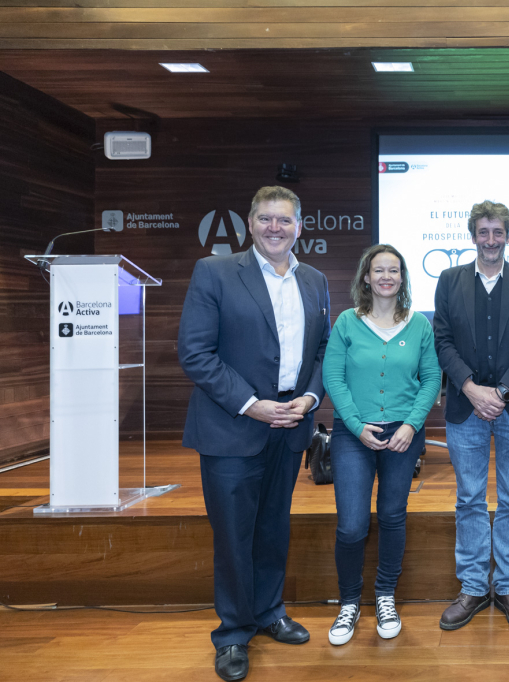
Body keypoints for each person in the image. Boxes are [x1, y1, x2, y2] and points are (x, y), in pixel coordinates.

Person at [178, 186, 330, 681]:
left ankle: (269, 613)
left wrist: (308, 399)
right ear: (249, 224)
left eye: (284, 220)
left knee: (272, 528)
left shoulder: (314, 279)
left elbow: (324, 351)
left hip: (290, 427)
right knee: (233, 534)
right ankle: (232, 634)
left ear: (299, 227)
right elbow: (196, 353)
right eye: (265, 219)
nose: (274, 228)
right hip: (233, 427)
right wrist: (253, 405)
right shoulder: (215, 272)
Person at [432, 200, 509, 632]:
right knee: (469, 500)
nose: (491, 240)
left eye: (498, 232)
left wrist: (498, 393)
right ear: (473, 235)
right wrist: (469, 387)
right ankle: (474, 587)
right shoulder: (449, 280)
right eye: (484, 232)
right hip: (466, 407)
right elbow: (442, 340)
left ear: (508, 235)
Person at [321, 244, 442, 646]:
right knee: (352, 524)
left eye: (394, 270)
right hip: (353, 435)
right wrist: (356, 426)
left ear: (403, 278)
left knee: (392, 515)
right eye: (379, 270)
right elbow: (333, 377)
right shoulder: (346, 322)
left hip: (403, 435)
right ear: (366, 277)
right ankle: (350, 602)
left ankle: (385, 595)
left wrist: (411, 425)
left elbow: (431, 379)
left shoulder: (419, 324)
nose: (387, 276)